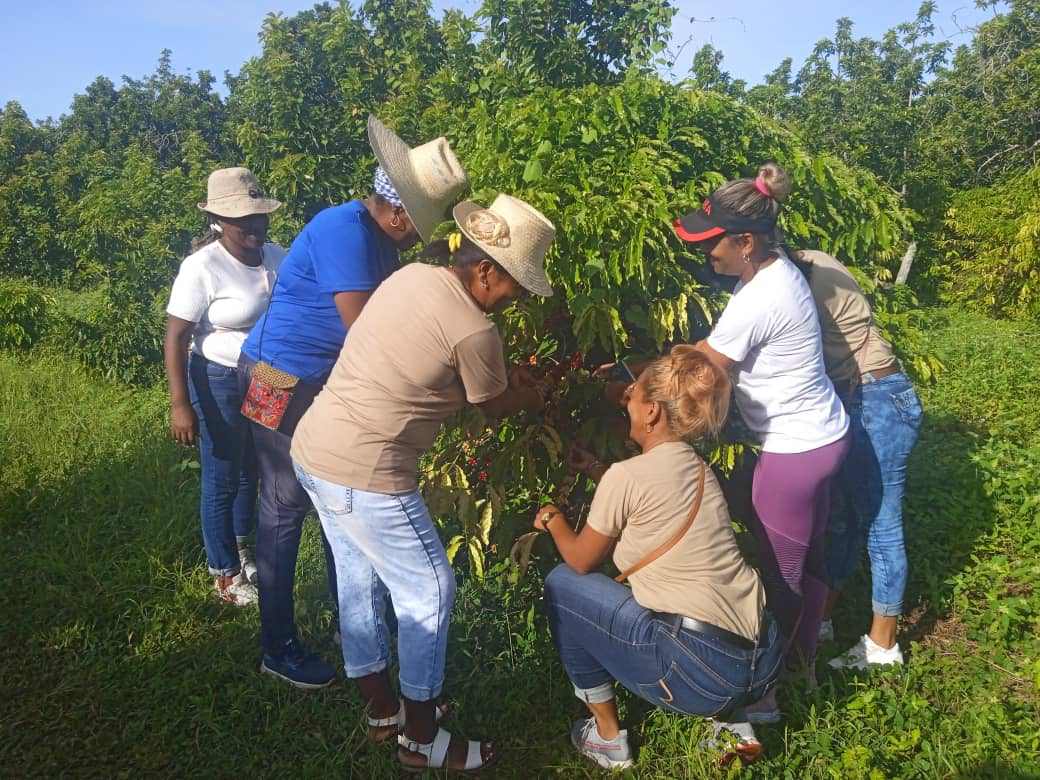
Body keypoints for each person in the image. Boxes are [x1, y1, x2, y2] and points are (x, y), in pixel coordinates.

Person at [290, 194, 555, 773]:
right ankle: (421, 736)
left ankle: (383, 709)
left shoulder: (412, 275)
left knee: (358, 581)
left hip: (314, 449)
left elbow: (422, 365)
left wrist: (506, 381)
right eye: (514, 285)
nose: (515, 300)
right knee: (431, 590)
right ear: (485, 270)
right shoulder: (475, 332)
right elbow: (492, 404)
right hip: (369, 473)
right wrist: (530, 391)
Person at [237, 115, 468, 689]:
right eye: (416, 227)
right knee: (285, 504)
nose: (417, 237)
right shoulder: (345, 231)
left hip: (320, 382)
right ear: (396, 214)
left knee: (331, 503)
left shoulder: (374, 239)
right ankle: (278, 644)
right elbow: (365, 330)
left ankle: (352, 626)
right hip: (276, 376)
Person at [537, 347, 784, 770]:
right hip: (764, 659)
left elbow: (581, 560)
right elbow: (649, 501)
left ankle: (607, 737)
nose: (625, 401)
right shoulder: (699, 468)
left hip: (701, 671)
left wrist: (553, 519)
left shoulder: (626, 477)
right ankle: (736, 719)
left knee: (562, 585)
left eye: (631, 395)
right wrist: (597, 469)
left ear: (651, 412)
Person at [672, 163, 851, 722]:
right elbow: (714, 343)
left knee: (777, 577)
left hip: (793, 451)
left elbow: (707, 365)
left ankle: (769, 696)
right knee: (810, 553)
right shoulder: (774, 274)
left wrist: (641, 381)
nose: (708, 254)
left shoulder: (758, 297)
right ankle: (807, 649)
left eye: (713, 243)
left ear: (745, 241)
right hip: (825, 433)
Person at [788, 250, 923, 669]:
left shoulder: (795, 281)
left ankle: (883, 646)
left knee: (882, 525)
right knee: (843, 519)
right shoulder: (811, 260)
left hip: (876, 397)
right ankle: (824, 615)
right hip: (867, 395)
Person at [164, 167, 284, 606]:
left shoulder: (276, 256)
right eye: (242, 220)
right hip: (219, 376)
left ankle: (242, 546)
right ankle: (224, 575)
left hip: (269, 375)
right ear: (219, 222)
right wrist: (181, 404)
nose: (254, 226)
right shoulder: (203, 267)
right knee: (222, 474)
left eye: (259, 216)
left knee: (256, 465)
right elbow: (176, 336)